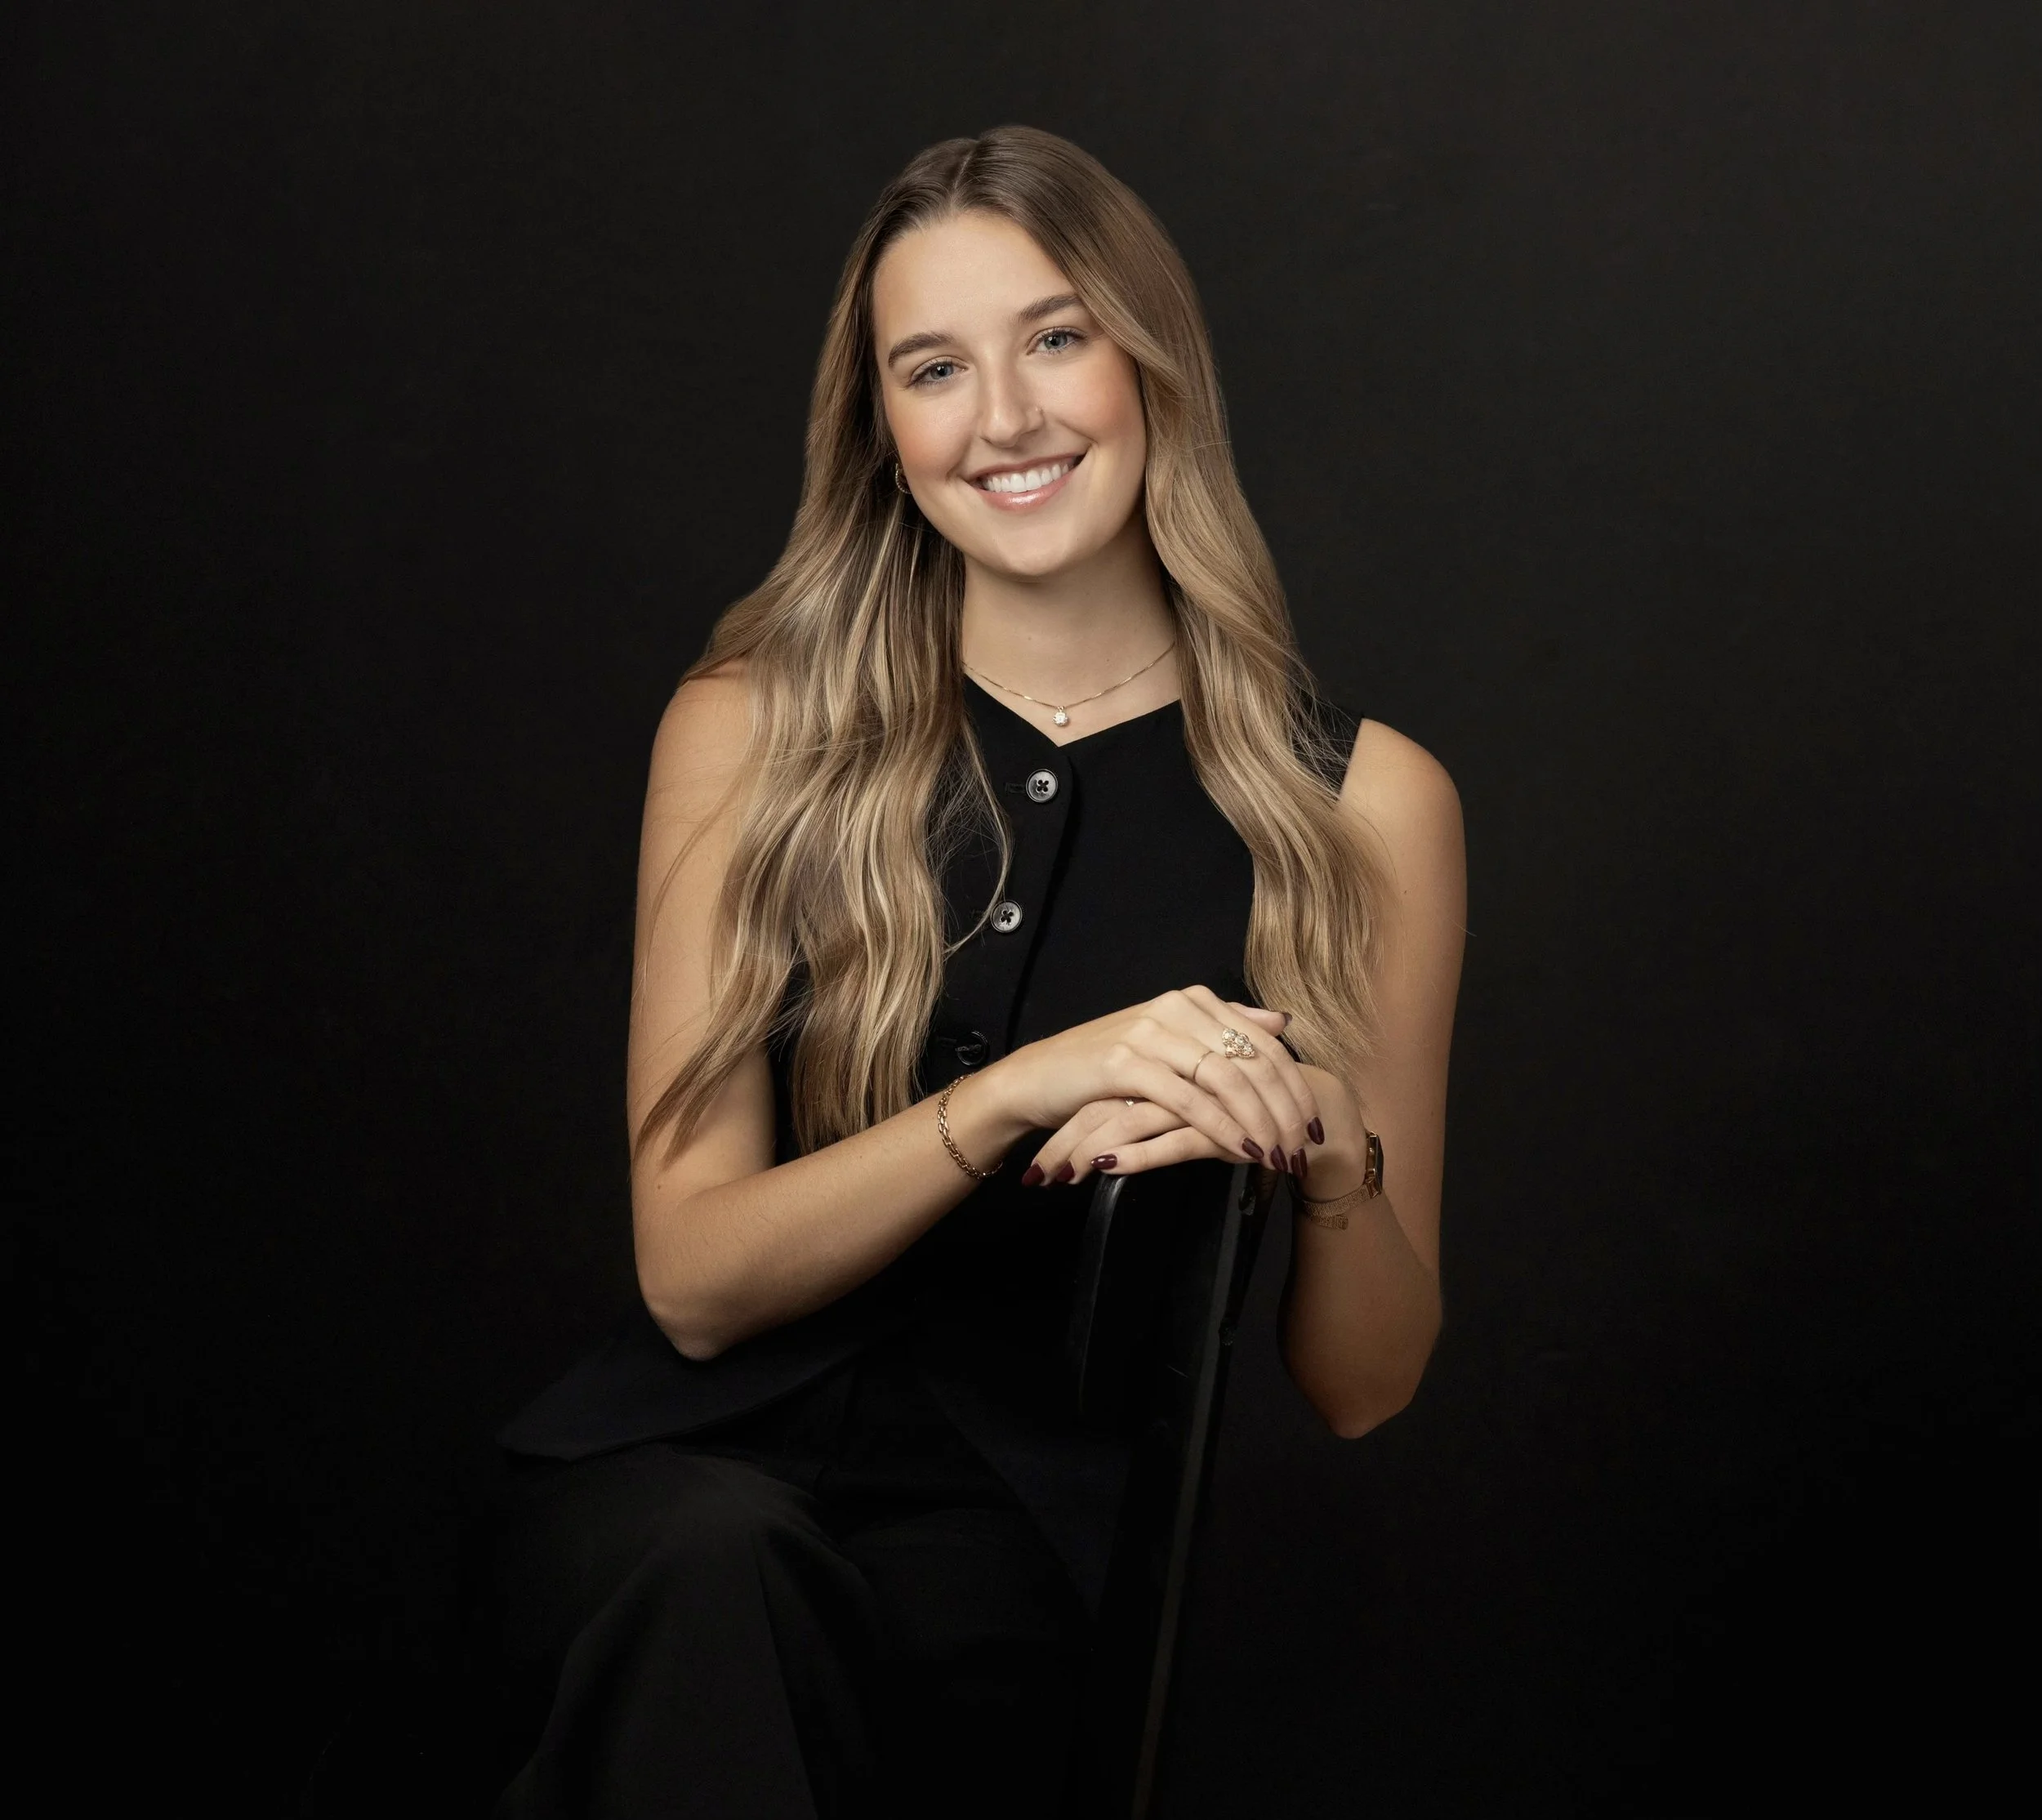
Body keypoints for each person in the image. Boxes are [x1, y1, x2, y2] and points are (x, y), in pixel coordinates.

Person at [484, 125, 1464, 1819]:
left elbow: (1362, 1384)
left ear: (1151, 361)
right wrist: (1018, 1089)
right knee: (710, 1576)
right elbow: (693, 1278)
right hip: (675, 1491)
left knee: (937, 1683)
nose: (1002, 418)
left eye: (1055, 337)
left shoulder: (1362, 803)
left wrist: (1315, 1152)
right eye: (933, 367)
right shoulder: (747, 726)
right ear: (882, 427)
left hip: (1019, 1542)